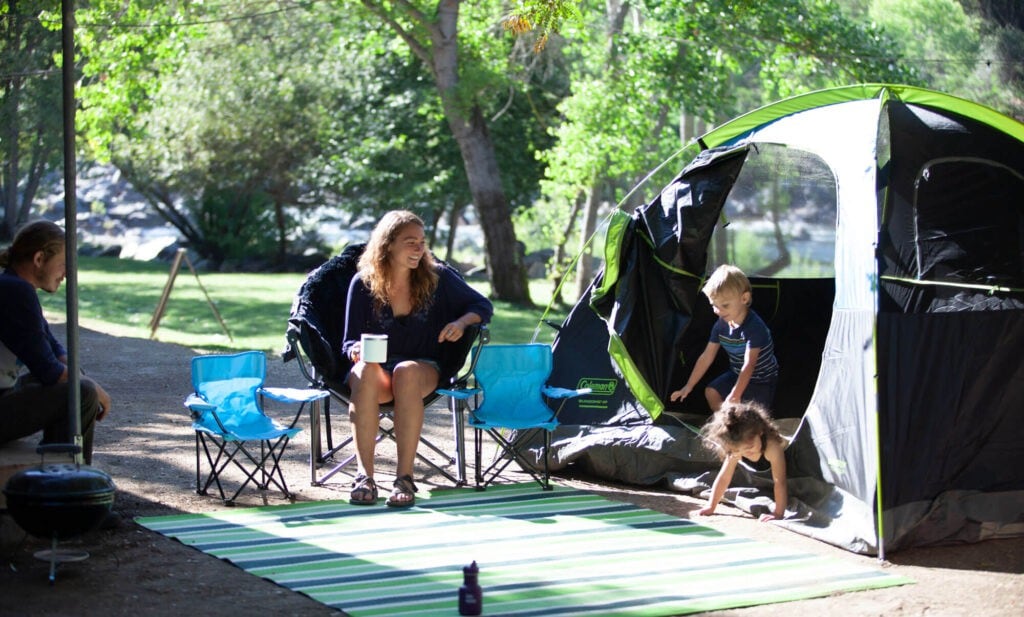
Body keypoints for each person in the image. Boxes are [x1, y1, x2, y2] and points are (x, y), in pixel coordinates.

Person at [341, 211, 493, 508]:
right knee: (363, 371)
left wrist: (461, 323)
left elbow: (481, 305)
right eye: (410, 242)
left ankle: (404, 478)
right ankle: (364, 477)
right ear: (387, 245)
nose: (418, 249)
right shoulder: (363, 284)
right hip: (380, 375)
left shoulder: (438, 278)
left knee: (406, 371)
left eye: (421, 242)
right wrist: (356, 350)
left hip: (422, 369)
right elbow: (348, 340)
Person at [1, 220, 113, 465]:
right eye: (63, 265)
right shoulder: (15, 291)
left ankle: (60, 463)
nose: (67, 274)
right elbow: (48, 371)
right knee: (82, 391)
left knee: (78, 382)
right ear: (39, 259)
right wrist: (92, 388)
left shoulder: (14, 285)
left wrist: (81, 374)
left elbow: (52, 347)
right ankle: (67, 481)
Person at [669, 264, 778, 411]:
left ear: (744, 298)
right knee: (711, 392)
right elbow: (707, 356)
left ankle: (740, 425)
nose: (718, 311)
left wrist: (735, 394)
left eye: (725, 305)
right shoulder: (720, 326)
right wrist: (688, 386)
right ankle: (725, 425)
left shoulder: (754, 327)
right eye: (714, 305)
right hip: (736, 373)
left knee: (751, 414)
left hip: (761, 380)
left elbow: (749, 364)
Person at [698, 401, 788, 521]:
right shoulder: (737, 449)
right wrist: (711, 505)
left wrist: (778, 513)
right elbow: (724, 477)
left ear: (760, 432)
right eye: (738, 449)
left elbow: (780, 482)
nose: (746, 452)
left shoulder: (772, 447)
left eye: (750, 447)